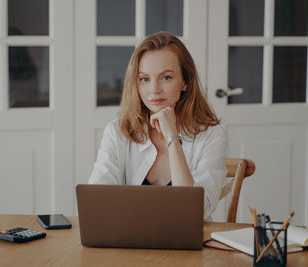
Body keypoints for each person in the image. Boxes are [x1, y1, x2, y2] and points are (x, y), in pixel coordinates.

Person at [88, 31, 227, 221]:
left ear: (185, 81)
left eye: (166, 77)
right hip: (129, 241)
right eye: (144, 79)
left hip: (186, 244)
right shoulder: (117, 131)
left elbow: (195, 211)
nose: (154, 90)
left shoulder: (211, 135)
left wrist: (172, 138)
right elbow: (97, 199)